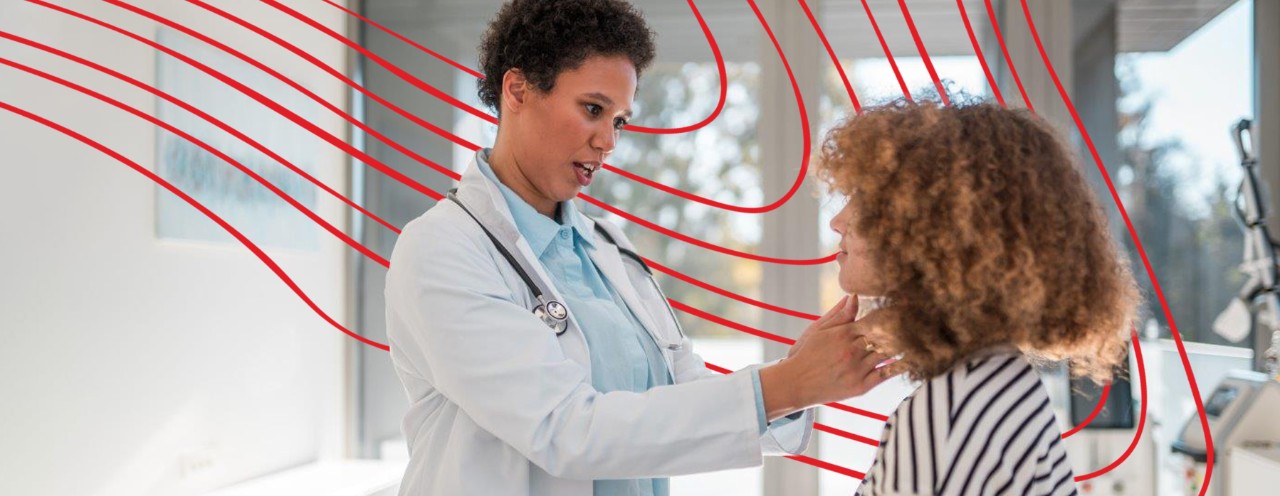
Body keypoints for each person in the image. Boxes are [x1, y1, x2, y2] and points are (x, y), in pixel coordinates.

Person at [382, 1, 892, 495]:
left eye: (619, 120)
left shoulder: (607, 248)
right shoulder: (442, 249)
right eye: (593, 109)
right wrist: (788, 385)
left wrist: (797, 376)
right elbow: (562, 429)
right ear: (517, 90)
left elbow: (679, 394)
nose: (608, 141)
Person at [815, 99, 1141, 496]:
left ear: (935, 227)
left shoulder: (947, 416)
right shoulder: (994, 381)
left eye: (864, 198)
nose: (837, 221)